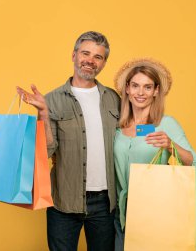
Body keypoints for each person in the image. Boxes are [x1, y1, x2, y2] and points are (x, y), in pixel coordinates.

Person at [16, 31, 120, 251]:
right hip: (63, 201)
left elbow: (132, 135)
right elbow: (46, 151)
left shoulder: (114, 99)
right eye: (85, 53)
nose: (90, 60)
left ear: (103, 63)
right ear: (74, 55)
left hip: (105, 203)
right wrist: (43, 113)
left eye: (98, 57)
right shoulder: (51, 100)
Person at [112, 58, 196, 250]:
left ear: (156, 91)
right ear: (127, 89)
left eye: (147, 87)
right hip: (119, 215)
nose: (140, 93)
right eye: (135, 86)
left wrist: (171, 145)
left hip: (154, 212)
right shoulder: (117, 127)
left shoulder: (166, 124)